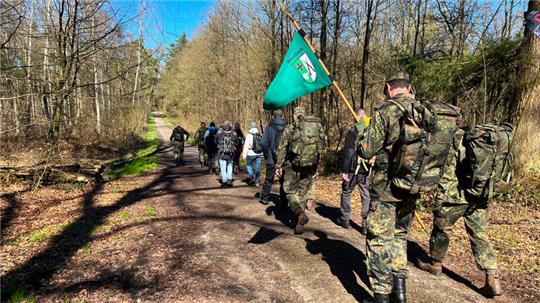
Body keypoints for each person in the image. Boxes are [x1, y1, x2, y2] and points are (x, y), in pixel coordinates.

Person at [356, 72, 419, 303]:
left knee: (379, 239)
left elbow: (366, 150)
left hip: (386, 188)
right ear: (409, 87)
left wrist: (362, 132)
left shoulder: (385, 110)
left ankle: (381, 296)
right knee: (400, 236)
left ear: (388, 88)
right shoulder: (424, 112)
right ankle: (400, 292)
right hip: (414, 186)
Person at [418, 128, 502, 297]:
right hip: (478, 195)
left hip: (455, 195)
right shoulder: (480, 141)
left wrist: (439, 194)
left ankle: (435, 263)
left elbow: (446, 169)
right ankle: (492, 277)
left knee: (442, 228)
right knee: (479, 235)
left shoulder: (454, 138)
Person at [275, 106, 325, 234]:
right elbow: (322, 147)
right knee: (303, 193)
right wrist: (317, 166)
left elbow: (282, 148)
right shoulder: (316, 128)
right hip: (309, 166)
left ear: (294, 116)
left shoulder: (290, 129)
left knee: (289, 191)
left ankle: (299, 213)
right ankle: (299, 223)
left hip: (292, 166)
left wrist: (278, 166)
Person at [335, 109, 372, 234]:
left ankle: (345, 219)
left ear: (357, 116)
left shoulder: (353, 130)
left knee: (346, 191)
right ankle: (365, 224)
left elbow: (348, 151)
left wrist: (344, 170)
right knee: (366, 195)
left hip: (353, 168)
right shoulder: (372, 129)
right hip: (368, 168)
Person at [259, 109, 287, 205]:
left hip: (271, 158)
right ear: (282, 116)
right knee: (283, 180)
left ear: (273, 117)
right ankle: (284, 202)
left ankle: (265, 198)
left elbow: (263, 143)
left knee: (269, 178)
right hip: (283, 159)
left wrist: (268, 156)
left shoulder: (269, 127)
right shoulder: (287, 128)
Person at [216, 121, 238, 187]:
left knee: (223, 167)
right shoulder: (234, 133)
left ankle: (224, 181)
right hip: (231, 153)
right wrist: (233, 145)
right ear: (229, 126)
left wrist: (219, 145)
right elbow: (237, 142)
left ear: (223, 126)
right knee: (230, 166)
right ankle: (229, 180)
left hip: (222, 153)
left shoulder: (219, 132)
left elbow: (215, 140)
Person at [242, 122, 263, 186]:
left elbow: (246, 146)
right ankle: (257, 182)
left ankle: (251, 177)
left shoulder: (249, 135)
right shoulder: (260, 135)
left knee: (248, 165)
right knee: (257, 168)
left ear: (250, 127)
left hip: (250, 154)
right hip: (259, 154)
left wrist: (244, 155)